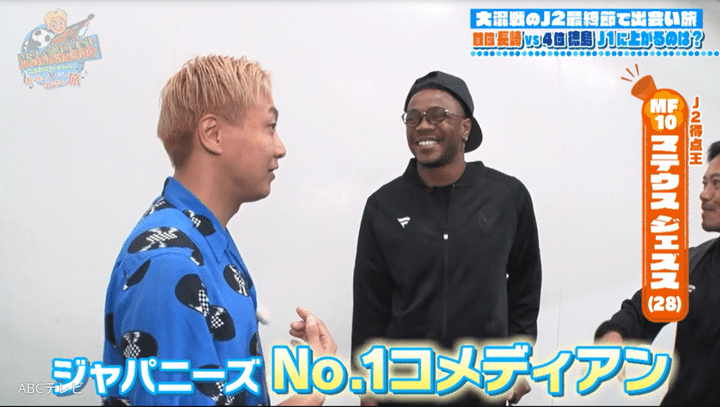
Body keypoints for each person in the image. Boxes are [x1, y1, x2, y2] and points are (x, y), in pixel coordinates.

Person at [102, 54, 336, 406]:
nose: (280, 148)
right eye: (270, 127)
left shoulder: (205, 242)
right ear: (213, 134)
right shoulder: (170, 263)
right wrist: (313, 393)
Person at [351, 71, 542, 405]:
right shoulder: (383, 205)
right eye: (413, 117)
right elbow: (370, 304)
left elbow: (525, 285)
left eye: (437, 115)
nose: (423, 125)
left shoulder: (507, 197)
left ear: (465, 127)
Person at [595, 140, 720, 405]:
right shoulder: (692, 262)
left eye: (717, 184)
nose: (704, 194)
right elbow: (640, 312)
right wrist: (615, 335)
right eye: (704, 183)